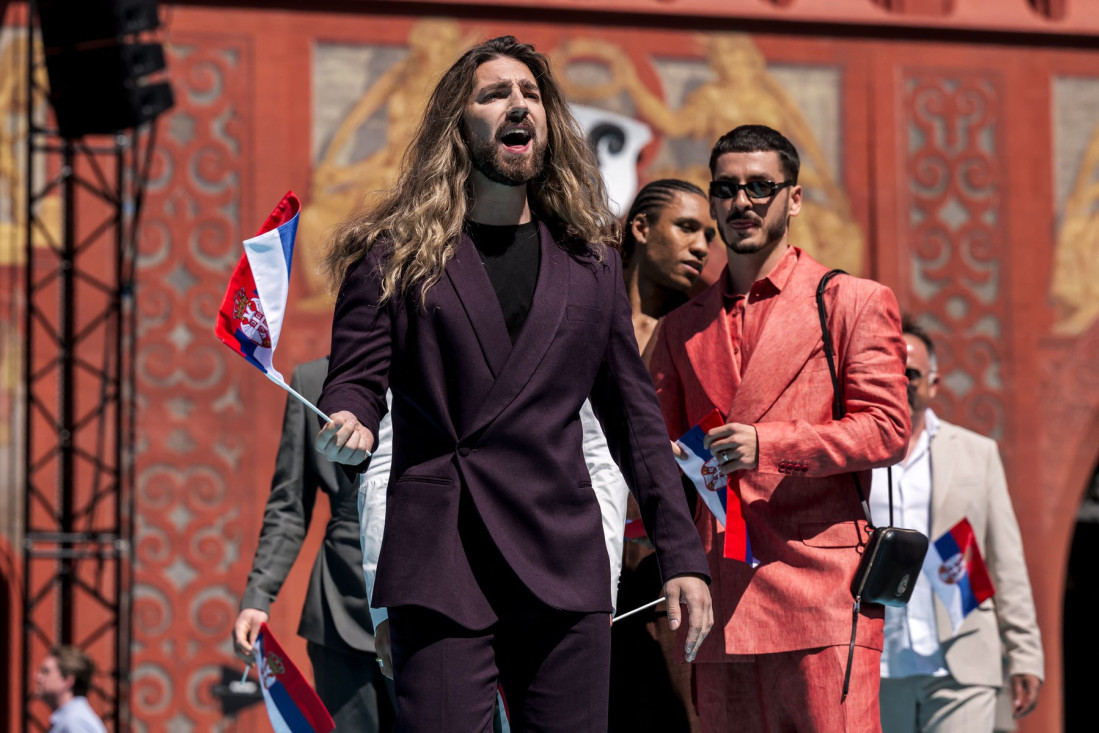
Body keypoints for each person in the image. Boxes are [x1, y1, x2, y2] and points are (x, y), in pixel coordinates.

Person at [313, 36, 712, 732]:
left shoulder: (590, 265)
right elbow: (355, 377)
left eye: (530, 94)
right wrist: (348, 415)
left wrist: (682, 553)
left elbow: (635, 421)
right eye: (494, 94)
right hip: (440, 555)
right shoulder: (394, 255)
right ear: (457, 124)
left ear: (549, 124)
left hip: (560, 552)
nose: (517, 105)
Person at [648, 124, 910, 732]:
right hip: (720, 593)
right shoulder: (681, 327)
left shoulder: (851, 301)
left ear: (793, 199)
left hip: (821, 591)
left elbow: (888, 428)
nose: (742, 201)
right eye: (726, 189)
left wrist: (769, 444)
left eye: (760, 187)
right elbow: (658, 459)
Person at [874, 318, 1044, 733]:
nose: (901, 381)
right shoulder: (851, 457)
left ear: (934, 383)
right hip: (876, 661)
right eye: (890, 372)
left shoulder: (976, 453)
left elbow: (1006, 561)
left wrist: (1024, 653)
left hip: (963, 655)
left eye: (912, 373)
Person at [232, 356, 391, 731]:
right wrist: (258, 595)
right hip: (340, 611)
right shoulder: (311, 379)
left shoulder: (441, 364)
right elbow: (289, 504)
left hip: (428, 602)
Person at [610, 178, 713, 732]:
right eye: (687, 227)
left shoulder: (706, 331)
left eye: (709, 235)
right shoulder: (582, 314)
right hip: (579, 548)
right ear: (641, 228)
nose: (702, 247)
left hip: (669, 559)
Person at [33, 645, 107, 733]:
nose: (37, 677)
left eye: (46, 672)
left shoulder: (75, 721)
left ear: (68, 680)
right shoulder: (71, 718)